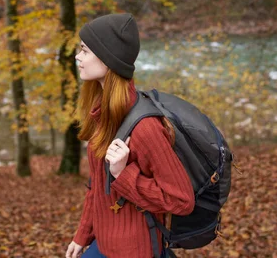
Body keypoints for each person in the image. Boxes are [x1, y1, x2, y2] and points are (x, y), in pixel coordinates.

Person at [65, 13, 195, 258]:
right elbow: (96, 186)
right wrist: (83, 234)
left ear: (107, 58)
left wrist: (124, 174)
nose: (77, 57)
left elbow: (181, 201)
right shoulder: (103, 113)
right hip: (103, 244)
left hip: (134, 251)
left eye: (84, 51)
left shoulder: (145, 128)